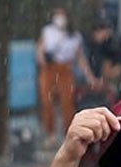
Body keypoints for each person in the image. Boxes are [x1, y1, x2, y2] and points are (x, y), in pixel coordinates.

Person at [37, 9, 96, 145]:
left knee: (67, 101)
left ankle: (68, 133)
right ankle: (50, 133)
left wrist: (89, 76)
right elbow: (40, 49)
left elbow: (80, 58)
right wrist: (43, 61)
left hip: (65, 69)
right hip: (49, 68)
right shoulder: (48, 31)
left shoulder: (74, 36)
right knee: (47, 101)